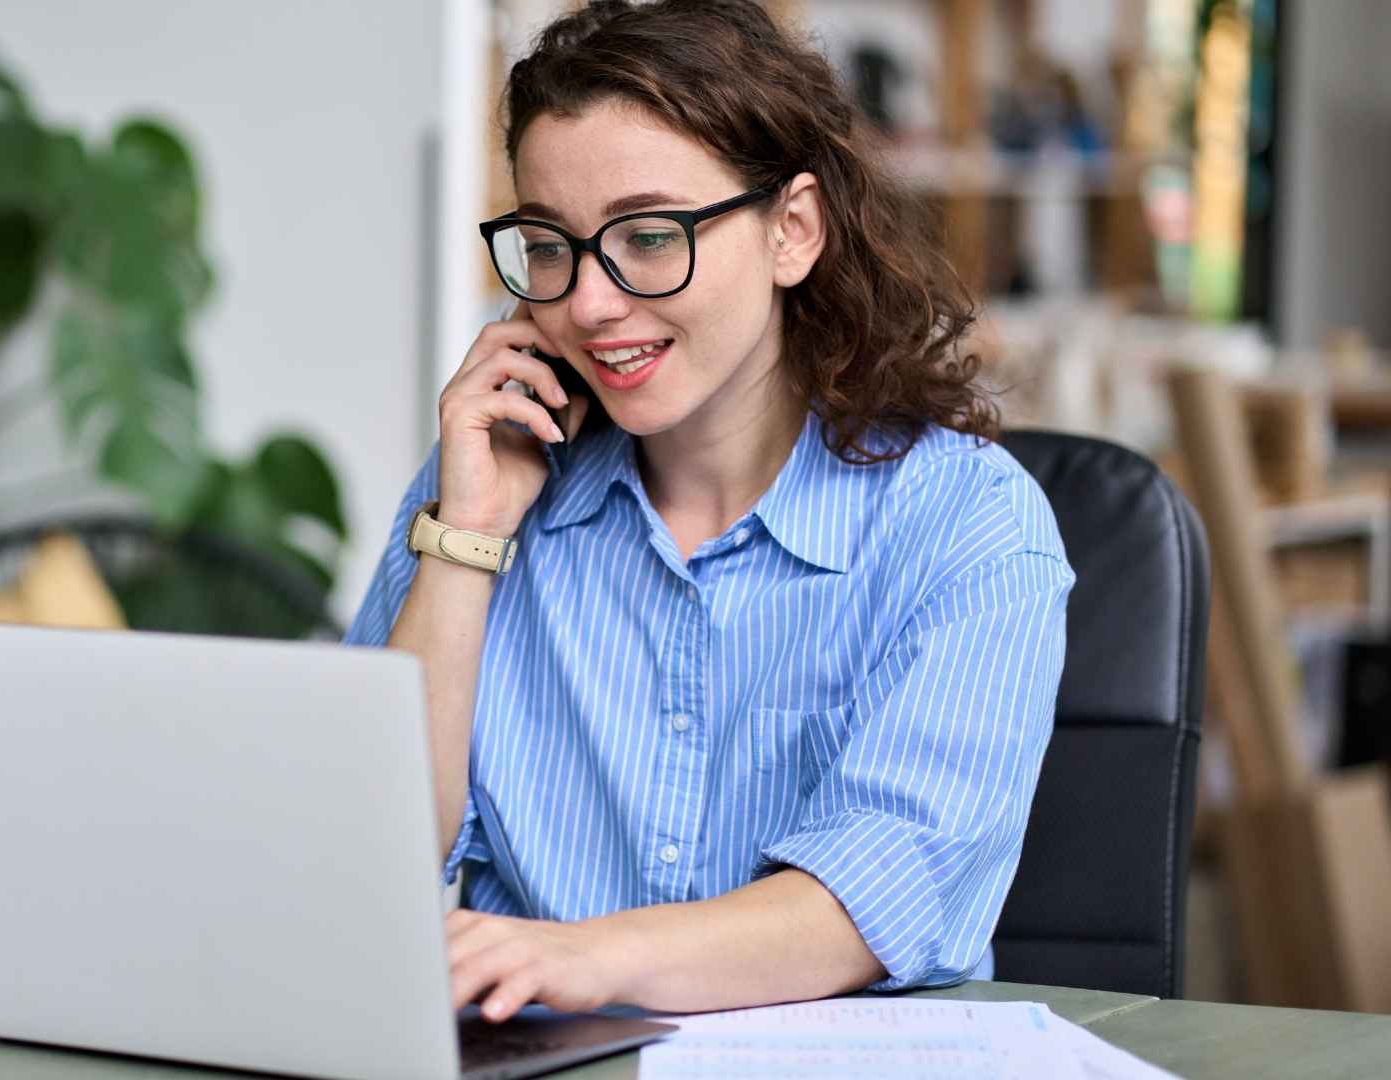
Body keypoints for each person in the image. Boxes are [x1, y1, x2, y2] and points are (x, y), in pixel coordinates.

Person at [344, 0, 1073, 1022]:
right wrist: (467, 541)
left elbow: (871, 903)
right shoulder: (475, 493)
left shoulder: (966, 526)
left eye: (648, 237)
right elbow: (365, 862)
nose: (588, 303)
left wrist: (579, 959)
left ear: (792, 231)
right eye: (550, 246)